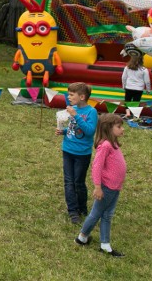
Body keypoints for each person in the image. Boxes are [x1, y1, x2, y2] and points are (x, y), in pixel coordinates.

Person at [75, 113, 127, 257]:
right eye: (119, 126)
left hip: (115, 187)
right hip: (106, 188)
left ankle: (105, 245)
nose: (122, 129)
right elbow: (96, 167)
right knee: (96, 214)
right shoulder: (105, 146)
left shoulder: (113, 143)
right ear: (108, 128)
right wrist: (98, 187)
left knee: (107, 215)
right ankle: (82, 237)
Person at [54, 82, 98, 225]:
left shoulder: (91, 112)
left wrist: (76, 116)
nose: (69, 97)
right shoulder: (72, 109)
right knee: (68, 181)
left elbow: (89, 131)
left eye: (72, 95)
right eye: (69, 94)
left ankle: (82, 207)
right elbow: (74, 129)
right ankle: (73, 211)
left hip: (82, 153)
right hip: (68, 150)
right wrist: (64, 131)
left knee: (78, 182)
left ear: (82, 97)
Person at [121, 53, 151, 118]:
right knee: (136, 102)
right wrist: (148, 89)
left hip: (129, 87)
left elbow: (123, 77)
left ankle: (128, 113)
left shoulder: (127, 67)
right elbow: (147, 81)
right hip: (139, 89)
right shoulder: (144, 69)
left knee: (127, 101)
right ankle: (135, 115)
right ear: (142, 60)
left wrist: (124, 85)